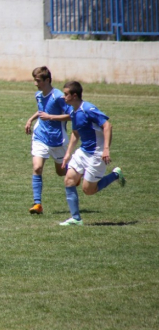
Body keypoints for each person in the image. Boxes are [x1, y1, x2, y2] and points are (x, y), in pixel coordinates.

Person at [59, 81, 126, 226]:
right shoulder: (73, 111)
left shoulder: (88, 109)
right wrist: (68, 154)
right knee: (69, 179)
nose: (63, 97)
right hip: (83, 152)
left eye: (66, 94)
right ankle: (76, 219)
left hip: (97, 154)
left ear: (74, 95)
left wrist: (106, 149)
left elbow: (107, 125)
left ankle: (115, 174)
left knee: (88, 190)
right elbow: (75, 133)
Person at [25, 66, 72, 215]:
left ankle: (80, 173)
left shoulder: (58, 96)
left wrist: (51, 117)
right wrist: (31, 120)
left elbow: (71, 115)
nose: (35, 83)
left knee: (61, 172)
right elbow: (41, 111)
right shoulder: (38, 95)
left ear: (47, 80)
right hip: (40, 136)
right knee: (37, 168)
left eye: (38, 81)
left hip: (58, 139)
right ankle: (37, 204)